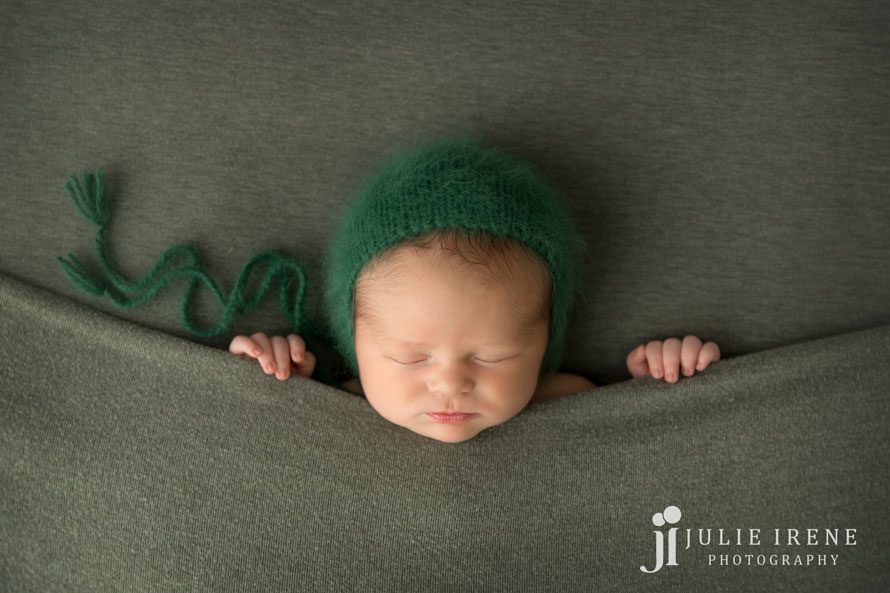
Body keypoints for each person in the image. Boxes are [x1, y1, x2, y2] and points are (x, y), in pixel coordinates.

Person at [228, 136, 720, 442]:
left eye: (493, 357)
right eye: (410, 357)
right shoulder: (338, 401)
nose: (450, 384)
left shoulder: (569, 396)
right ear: (353, 340)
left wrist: (657, 382)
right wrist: (276, 371)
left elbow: (646, 447)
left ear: (545, 342)